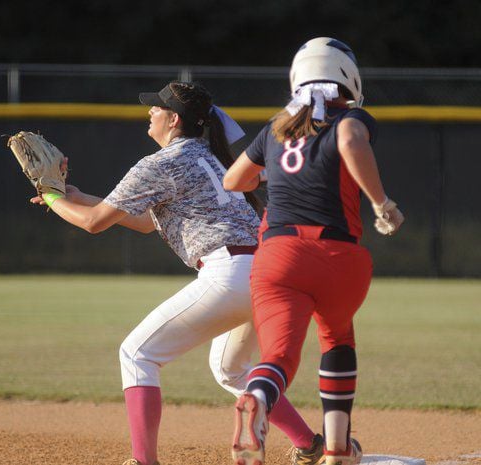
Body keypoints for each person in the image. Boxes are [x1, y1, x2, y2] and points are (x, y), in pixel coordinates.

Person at [31, 81, 325, 465]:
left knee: (137, 355)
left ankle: (143, 461)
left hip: (231, 273)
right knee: (232, 370)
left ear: (173, 120)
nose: (149, 112)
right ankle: (309, 445)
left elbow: (93, 224)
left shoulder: (160, 163)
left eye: (156, 108)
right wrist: (77, 195)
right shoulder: (213, 157)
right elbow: (145, 222)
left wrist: (52, 196)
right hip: (269, 273)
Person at [223, 38, 405, 465]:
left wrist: (277, 173)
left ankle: (256, 399)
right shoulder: (350, 117)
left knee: (279, 358)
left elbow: (234, 181)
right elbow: (350, 140)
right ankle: (339, 450)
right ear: (347, 77)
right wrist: (383, 204)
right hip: (338, 257)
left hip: (278, 258)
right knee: (338, 338)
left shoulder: (276, 127)